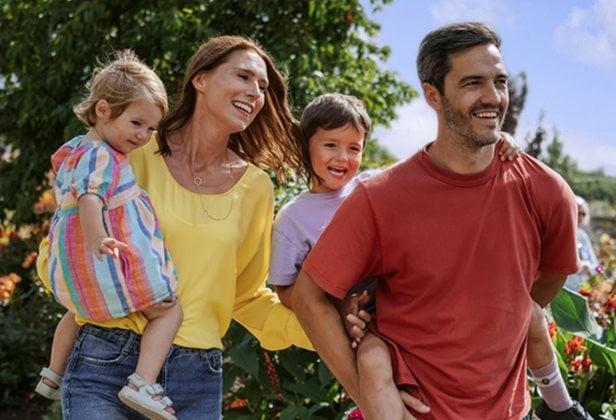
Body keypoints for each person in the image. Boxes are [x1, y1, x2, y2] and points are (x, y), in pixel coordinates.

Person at [292, 22, 591, 419]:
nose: (493, 97)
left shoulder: (547, 190)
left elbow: (548, 280)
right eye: (472, 83)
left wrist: (490, 319)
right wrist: (369, 395)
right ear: (432, 94)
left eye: (499, 82)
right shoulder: (380, 197)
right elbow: (308, 296)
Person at [36, 36, 311, 419]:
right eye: (244, 76)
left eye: (262, 86)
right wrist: (128, 293)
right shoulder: (132, 149)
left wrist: (326, 331)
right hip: (106, 357)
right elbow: (62, 248)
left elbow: (247, 297)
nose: (255, 92)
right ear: (200, 79)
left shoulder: (256, 188)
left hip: (195, 378)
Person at [268, 93, 521, 418]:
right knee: (373, 365)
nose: (343, 157)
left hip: (414, 306)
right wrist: (339, 302)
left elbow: (435, 163)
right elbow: (288, 292)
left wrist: (496, 143)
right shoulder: (292, 219)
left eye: (354, 147)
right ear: (306, 145)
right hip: (369, 325)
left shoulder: (375, 185)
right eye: (330, 145)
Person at [35, 50, 182, 419]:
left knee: (75, 312)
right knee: (168, 312)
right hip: (106, 263)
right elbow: (90, 198)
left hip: (77, 272)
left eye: (150, 129)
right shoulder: (102, 156)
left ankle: (52, 373)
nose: (144, 136)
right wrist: (99, 237)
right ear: (103, 110)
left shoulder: (74, 150)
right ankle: (144, 382)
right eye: (137, 123)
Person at [564, 195, 600, 291]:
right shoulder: (561, 234)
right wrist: (578, 266)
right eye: (577, 212)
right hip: (563, 290)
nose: (580, 217)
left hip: (583, 290)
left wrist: (589, 268)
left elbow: (596, 265)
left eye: (583, 214)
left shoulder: (583, 236)